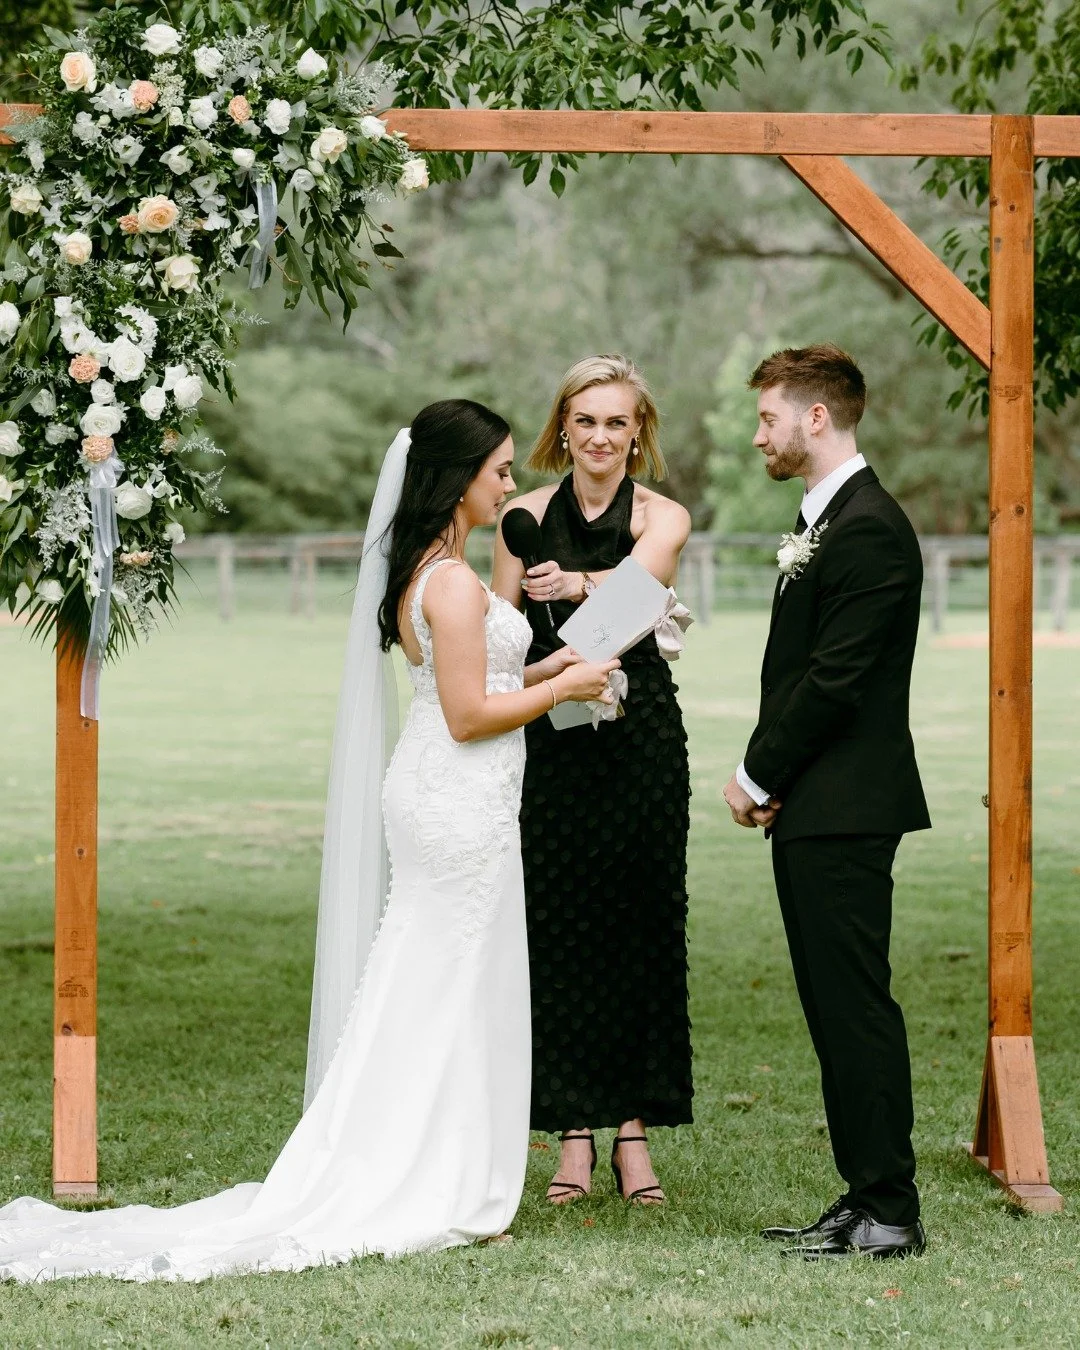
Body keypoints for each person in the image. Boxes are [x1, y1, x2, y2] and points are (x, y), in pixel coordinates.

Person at [0, 400, 618, 1282]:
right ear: (458, 477)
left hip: (452, 797)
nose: (512, 484)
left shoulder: (436, 570)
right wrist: (566, 692)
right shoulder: (446, 579)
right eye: (501, 469)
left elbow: (476, 678)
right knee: (443, 984)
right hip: (456, 800)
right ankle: (430, 1177)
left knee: (437, 979)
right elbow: (473, 715)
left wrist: (554, 668)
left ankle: (434, 1163)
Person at [722, 345, 930, 1261]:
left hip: (846, 807)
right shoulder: (829, 519)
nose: (758, 432)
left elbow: (835, 681)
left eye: (768, 416)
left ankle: (890, 1209)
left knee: (854, 1008)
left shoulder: (870, 528)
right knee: (831, 1008)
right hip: (819, 804)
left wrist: (758, 773)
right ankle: (863, 1196)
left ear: (816, 418)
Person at [492, 355, 693, 1206]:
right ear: (563, 429)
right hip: (552, 739)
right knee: (562, 925)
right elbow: (503, 635)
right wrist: (534, 681)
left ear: (637, 430)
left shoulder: (664, 514)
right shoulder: (519, 515)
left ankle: (634, 1135)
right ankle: (573, 1132)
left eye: (618, 422)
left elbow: (639, 598)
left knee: (642, 924)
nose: (602, 436)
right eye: (587, 421)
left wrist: (576, 586)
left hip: (638, 737)